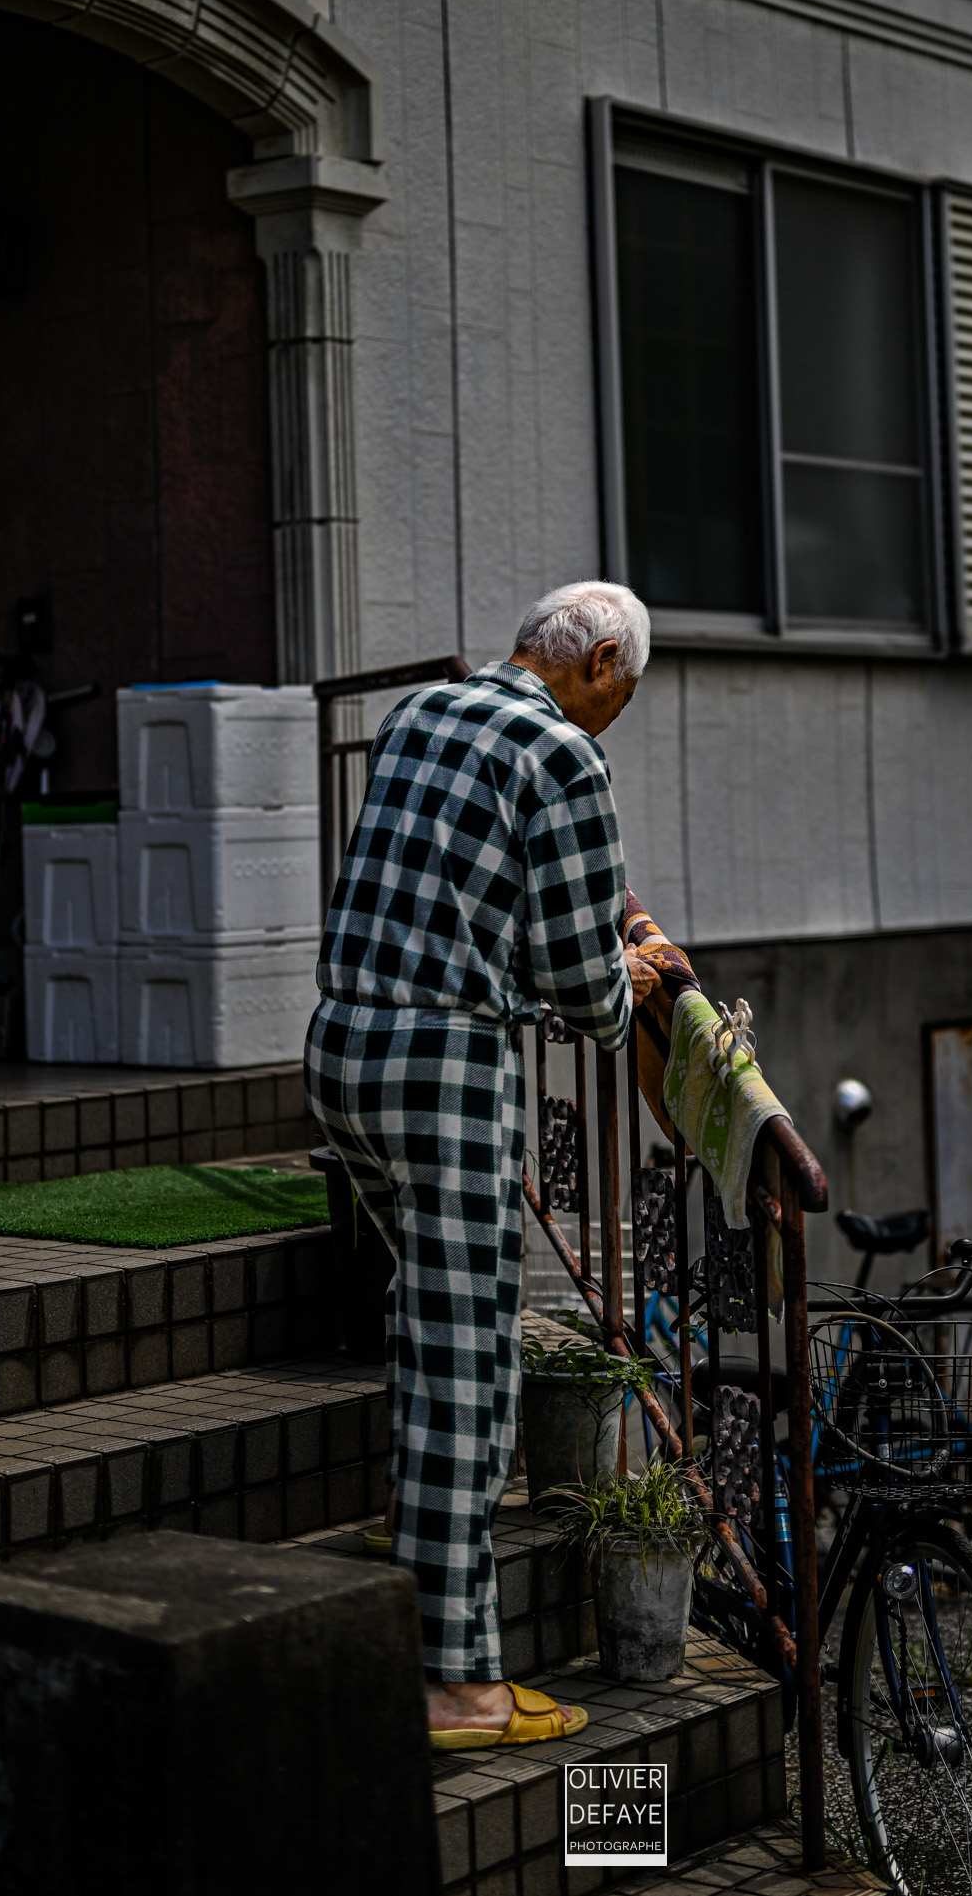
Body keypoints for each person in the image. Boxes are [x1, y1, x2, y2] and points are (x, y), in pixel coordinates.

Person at [305, 581, 661, 1748]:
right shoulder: (564, 756)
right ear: (598, 662)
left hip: (340, 1049)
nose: (614, 714)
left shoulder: (419, 711)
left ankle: (410, 1522)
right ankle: (455, 1682)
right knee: (468, 1366)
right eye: (623, 691)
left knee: (427, 1306)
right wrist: (628, 980)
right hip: (442, 1067)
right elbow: (579, 985)